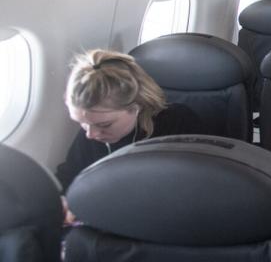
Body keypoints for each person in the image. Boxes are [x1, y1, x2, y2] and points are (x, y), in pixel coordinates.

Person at [57, 49, 201, 191]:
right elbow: (69, 177)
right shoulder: (92, 131)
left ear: (137, 106)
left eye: (105, 125)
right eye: (81, 123)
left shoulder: (178, 123)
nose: (90, 134)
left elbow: (198, 184)